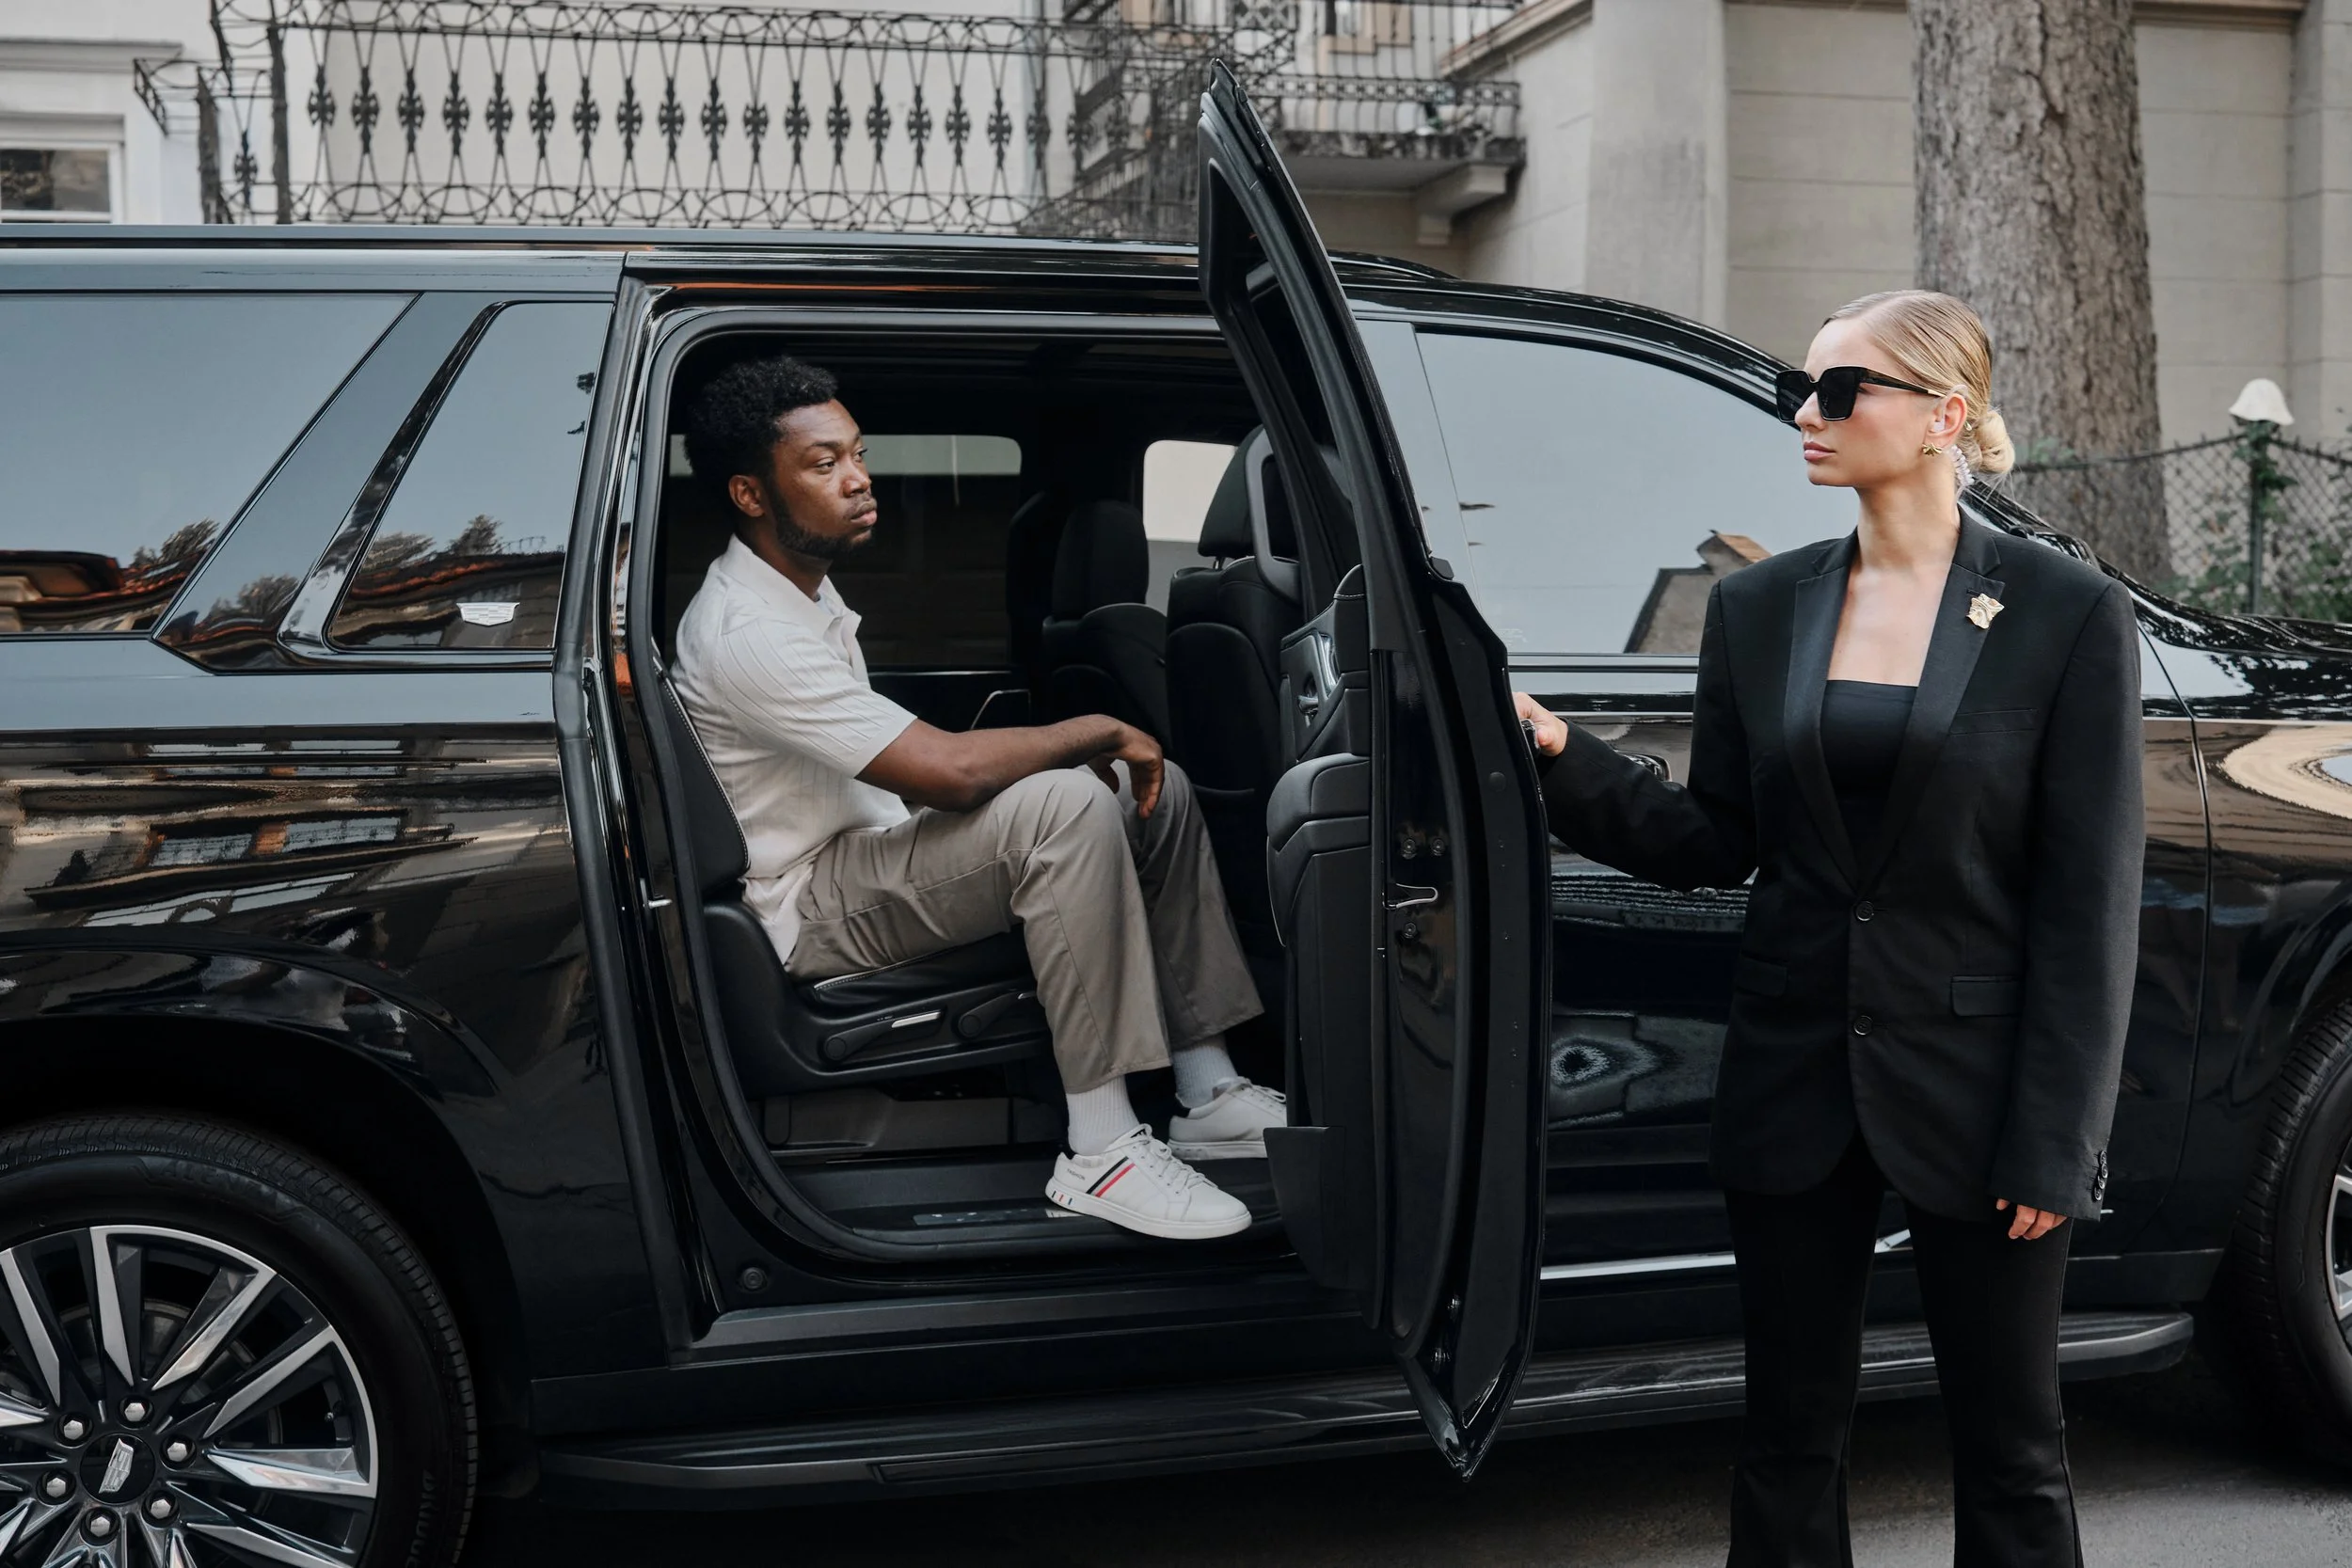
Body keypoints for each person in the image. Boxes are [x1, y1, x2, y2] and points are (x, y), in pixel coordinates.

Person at [1516, 290, 2140, 1566]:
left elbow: (2090, 901)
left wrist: (2057, 1135)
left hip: (1981, 1089)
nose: (1807, 413)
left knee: (2012, 1442)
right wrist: (1560, 752)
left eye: (1840, 390)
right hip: (1796, 1070)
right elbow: (1715, 840)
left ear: (1941, 416)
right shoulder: (1764, 608)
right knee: (1789, 1430)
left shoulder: (2067, 613)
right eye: (1806, 388)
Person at [671, 353, 1285, 1241]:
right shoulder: (747, 629)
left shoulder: (800, 592)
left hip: (862, 849)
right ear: (750, 494)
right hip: (809, 901)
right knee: (1072, 800)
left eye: (858, 453)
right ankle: (1104, 1151)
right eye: (822, 463)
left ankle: (1206, 1087)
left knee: (1153, 785)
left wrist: (1113, 752)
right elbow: (948, 772)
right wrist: (1103, 729)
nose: (857, 479)